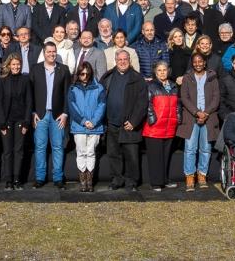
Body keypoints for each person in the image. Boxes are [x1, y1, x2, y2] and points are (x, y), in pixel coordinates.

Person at [100, 49, 148, 192]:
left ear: (129, 60)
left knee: (132, 155)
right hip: (111, 123)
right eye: (119, 59)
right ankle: (117, 180)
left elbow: (142, 103)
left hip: (129, 125)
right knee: (114, 154)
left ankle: (131, 181)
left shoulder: (137, 78)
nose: (122, 62)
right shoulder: (108, 77)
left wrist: (134, 121)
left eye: (125, 59)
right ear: (115, 60)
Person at [176, 52, 220, 190]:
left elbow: (216, 98)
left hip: (209, 116)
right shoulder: (188, 78)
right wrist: (197, 113)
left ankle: (202, 175)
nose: (198, 64)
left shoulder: (212, 77)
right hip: (191, 117)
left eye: (200, 61)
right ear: (192, 63)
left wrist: (206, 113)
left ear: (205, 62)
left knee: (206, 149)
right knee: (190, 148)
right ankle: (190, 177)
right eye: (195, 61)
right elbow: (184, 97)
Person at [31, 41, 72, 188]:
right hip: (40, 115)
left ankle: (58, 178)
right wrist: (33, 112)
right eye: (48, 52)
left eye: (54, 51)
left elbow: (68, 93)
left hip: (58, 116)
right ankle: (40, 178)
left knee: (58, 147)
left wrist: (66, 113)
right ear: (44, 53)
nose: (51, 54)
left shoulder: (64, 70)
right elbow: (30, 93)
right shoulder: (35, 69)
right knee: (40, 147)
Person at [67, 61, 106, 192]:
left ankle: (90, 182)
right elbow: (72, 107)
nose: (85, 76)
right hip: (79, 126)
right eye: (82, 73)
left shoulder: (99, 88)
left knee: (91, 152)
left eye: (87, 73)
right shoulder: (73, 88)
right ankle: (82, 182)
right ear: (78, 74)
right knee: (81, 152)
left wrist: (93, 122)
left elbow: (102, 106)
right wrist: (83, 121)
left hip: (95, 127)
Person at [0, 53, 33, 190]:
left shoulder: (25, 80)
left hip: (20, 121)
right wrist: (1, 122)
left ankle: (17, 179)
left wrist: (26, 122)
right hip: (6, 121)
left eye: (18, 64)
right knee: (7, 151)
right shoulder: (3, 80)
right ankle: (8, 181)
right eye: (13, 64)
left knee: (19, 150)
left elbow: (29, 102)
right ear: (9, 65)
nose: (16, 67)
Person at [143, 60, 179, 191]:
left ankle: (164, 179)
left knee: (166, 156)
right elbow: (147, 104)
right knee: (155, 157)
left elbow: (178, 105)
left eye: (164, 70)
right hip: (155, 127)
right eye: (159, 70)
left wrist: (178, 118)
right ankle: (156, 182)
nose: (162, 73)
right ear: (155, 72)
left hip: (169, 126)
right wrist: (153, 120)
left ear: (168, 71)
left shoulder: (174, 86)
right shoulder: (151, 86)